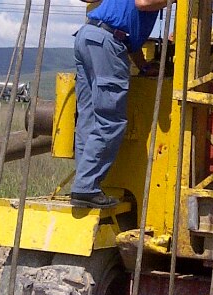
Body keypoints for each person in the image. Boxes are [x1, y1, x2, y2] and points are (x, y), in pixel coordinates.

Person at [71, 0, 168, 208]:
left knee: (88, 117)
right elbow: (143, 2)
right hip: (107, 42)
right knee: (110, 120)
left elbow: (128, 36)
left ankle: (84, 184)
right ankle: (86, 187)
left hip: (88, 36)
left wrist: (142, 65)